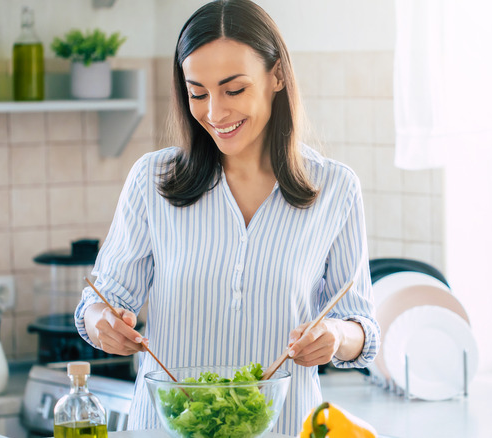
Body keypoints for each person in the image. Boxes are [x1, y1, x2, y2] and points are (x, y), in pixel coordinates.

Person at [74, 0, 379, 434]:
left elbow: (363, 328)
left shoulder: (336, 189)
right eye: (198, 93)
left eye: (234, 90)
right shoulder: (152, 179)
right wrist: (102, 323)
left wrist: (337, 336)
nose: (215, 114)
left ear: (276, 76)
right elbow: (99, 302)